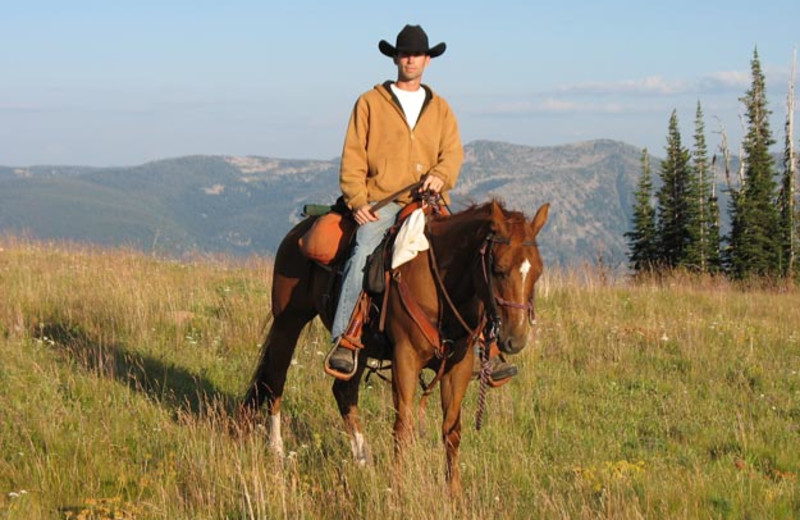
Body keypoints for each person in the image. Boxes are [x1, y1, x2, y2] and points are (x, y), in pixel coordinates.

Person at [325, 24, 517, 383]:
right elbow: (352, 157)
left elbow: (453, 154)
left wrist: (441, 175)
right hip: (383, 201)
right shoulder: (369, 103)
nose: (410, 59)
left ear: (428, 61)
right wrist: (357, 201)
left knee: (472, 256)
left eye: (417, 54)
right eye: (404, 53)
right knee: (363, 249)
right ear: (395, 57)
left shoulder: (441, 108)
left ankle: (488, 347)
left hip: (429, 204)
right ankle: (346, 339)